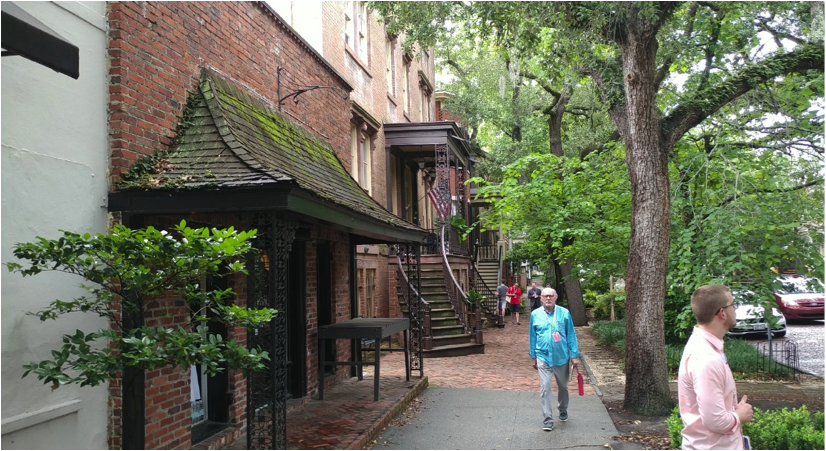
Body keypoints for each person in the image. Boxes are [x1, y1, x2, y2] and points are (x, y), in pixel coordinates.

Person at [678, 284, 753, 449]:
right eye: (733, 304)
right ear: (722, 313)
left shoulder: (706, 346)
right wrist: (739, 416)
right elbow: (716, 421)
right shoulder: (707, 358)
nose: (736, 309)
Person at [529, 287, 581, 431]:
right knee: (545, 388)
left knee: (563, 387)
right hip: (543, 356)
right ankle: (548, 419)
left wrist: (574, 355)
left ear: (556, 297)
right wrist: (533, 356)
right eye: (545, 296)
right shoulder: (535, 314)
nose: (548, 298)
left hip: (561, 356)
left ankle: (563, 408)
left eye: (550, 296)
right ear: (541, 298)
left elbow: (571, 334)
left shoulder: (564, 313)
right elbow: (532, 336)